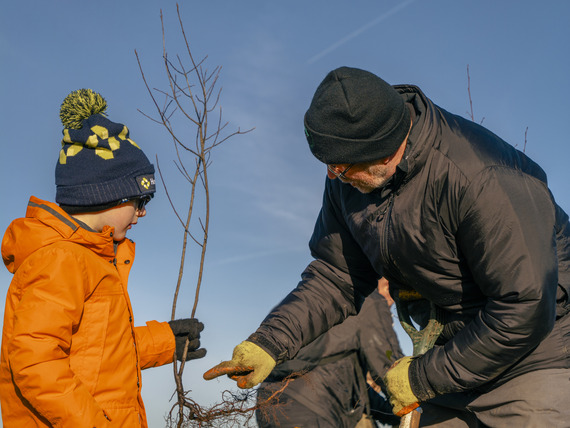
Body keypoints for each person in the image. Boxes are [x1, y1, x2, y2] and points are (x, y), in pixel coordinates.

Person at [204, 67, 570, 427]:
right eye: (328, 165)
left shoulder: (480, 177)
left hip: (535, 360)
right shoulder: (346, 180)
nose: (333, 176)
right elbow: (335, 275)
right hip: (452, 367)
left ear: (382, 151)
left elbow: (525, 305)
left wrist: (422, 378)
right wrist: (270, 341)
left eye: (342, 167)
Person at [0, 89, 206, 427]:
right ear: (107, 194)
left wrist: (163, 342)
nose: (141, 214)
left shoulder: (90, 259)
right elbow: (36, 363)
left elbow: (95, 354)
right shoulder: (61, 260)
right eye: (140, 201)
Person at [255, 279, 402, 428]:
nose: (393, 304)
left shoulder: (335, 302)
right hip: (312, 410)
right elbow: (390, 367)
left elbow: (357, 391)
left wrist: (393, 416)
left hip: (271, 406)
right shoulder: (372, 301)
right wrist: (417, 397)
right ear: (387, 285)